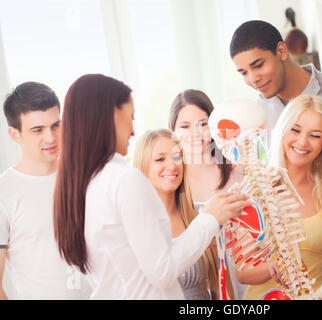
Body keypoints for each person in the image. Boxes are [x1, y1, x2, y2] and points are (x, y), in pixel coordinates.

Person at [53, 74, 252, 300]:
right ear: (110, 116)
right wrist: (210, 218)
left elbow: (143, 260)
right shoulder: (124, 180)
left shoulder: (87, 184)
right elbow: (163, 271)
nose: (133, 130)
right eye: (131, 117)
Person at [237, 95, 322, 299]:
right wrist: (274, 267)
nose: (302, 142)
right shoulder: (256, 188)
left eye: (314, 135)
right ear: (283, 131)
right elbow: (242, 273)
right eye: (295, 130)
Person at [0, 82, 87, 299]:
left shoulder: (84, 176)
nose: (50, 137)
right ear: (14, 134)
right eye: (37, 130)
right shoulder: (4, 193)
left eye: (56, 125)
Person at [229, 20, 322, 148]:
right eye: (244, 73)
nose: (253, 79)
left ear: (281, 51)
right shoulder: (259, 114)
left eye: (259, 65)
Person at [133, 128, 230, 299]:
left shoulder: (203, 216)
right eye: (160, 159)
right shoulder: (135, 225)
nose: (172, 165)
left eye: (177, 156)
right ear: (142, 166)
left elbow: (221, 288)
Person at [169, 89, 247, 299]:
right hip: (205, 280)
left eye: (202, 124)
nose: (195, 134)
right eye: (184, 126)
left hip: (248, 271)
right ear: (173, 130)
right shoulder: (172, 181)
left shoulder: (237, 169)